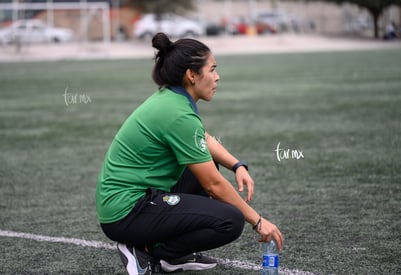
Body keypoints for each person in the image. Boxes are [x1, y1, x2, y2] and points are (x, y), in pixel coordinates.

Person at [95, 32, 284, 275]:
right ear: (191, 75)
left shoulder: (173, 99)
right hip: (126, 212)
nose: (218, 77)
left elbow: (202, 139)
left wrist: (237, 165)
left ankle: (173, 257)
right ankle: (149, 252)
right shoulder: (177, 113)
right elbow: (214, 186)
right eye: (212, 69)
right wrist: (259, 222)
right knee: (231, 220)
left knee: (209, 165)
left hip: (133, 201)